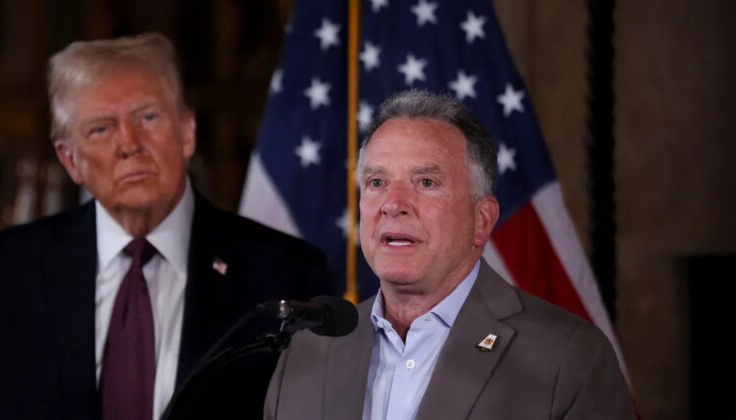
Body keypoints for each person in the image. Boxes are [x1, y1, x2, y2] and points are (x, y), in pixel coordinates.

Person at [0, 33, 331, 420]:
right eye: (101, 128)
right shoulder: (4, 275)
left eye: (148, 117)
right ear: (70, 160)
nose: (129, 144)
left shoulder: (284, 273)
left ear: (187, 133)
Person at [264, 90, 634, 420]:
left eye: (426, 182)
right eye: (377, 182)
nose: (393, 204)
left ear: (482, 220)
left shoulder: (567, 359)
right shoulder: (306, 354)